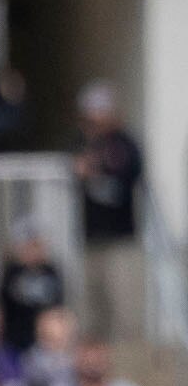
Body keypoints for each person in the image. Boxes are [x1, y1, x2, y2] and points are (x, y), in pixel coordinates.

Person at [72, 83, 145, 343]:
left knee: (122, 303)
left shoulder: (125, 143)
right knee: (93, 303)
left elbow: (129, 176)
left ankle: (125, 356)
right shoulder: (82, 142)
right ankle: (95, 353)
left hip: (119, 237)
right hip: (89, 235)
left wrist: (95, 170)